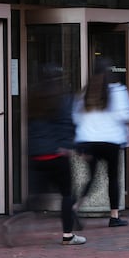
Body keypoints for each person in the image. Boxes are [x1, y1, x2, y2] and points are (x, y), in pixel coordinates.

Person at [26, 68, 86, 246]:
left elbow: (31, 126)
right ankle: (68, 235)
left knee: (38, 194)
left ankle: (19, 217)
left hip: (37, 153)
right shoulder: (63, 99)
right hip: (56, 153)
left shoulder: (35, 98)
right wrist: (72, 146)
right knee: (67, 194)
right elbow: (68, 124)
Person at [72, 57, 129, 227]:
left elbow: (76, 118)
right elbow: (126, 115)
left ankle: (75, 207)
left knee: (91, 178)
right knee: (113, 177)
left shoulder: (85, 92)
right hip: (111, 141)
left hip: (88, 141)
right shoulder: (118, 91)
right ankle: (114, 216)